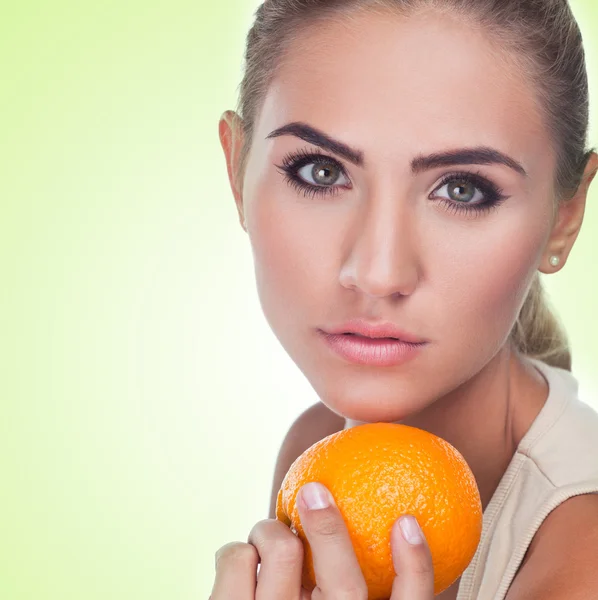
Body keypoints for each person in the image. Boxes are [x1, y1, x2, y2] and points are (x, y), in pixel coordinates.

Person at [213, 0, 598, 598]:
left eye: (463, 189)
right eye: (320, 172)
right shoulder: (318, 456)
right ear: (238, 171)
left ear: (564, 220)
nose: (377, 272)